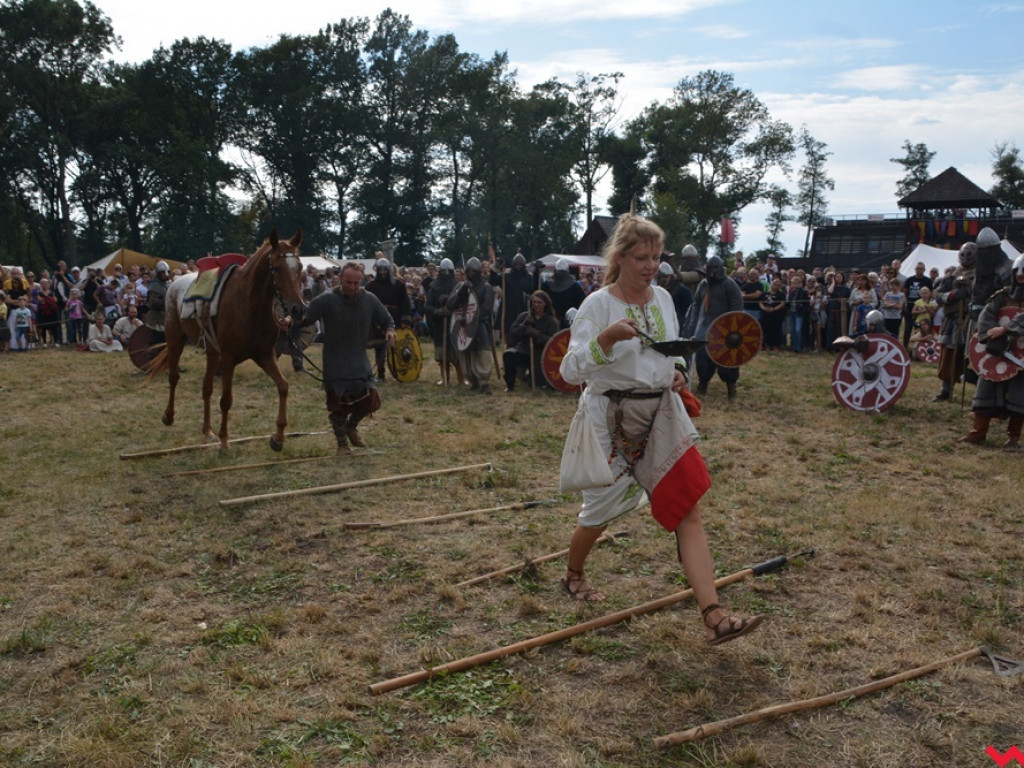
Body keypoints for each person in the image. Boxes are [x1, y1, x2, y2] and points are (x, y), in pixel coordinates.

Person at [557, 212, 763, 646]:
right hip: (609, 419)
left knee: (688, 506)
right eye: (640, 257)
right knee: (600, 513)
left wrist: (678, 372)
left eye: (655, 256)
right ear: (621, 257)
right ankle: (574, 572)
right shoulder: (598, 305)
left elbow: (670, 353)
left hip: (661, 415)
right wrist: (608, 339)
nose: (650, 265)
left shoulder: (665, 300)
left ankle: (714, 616)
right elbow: (571, 368)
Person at [292, 262, 396, 454]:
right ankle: (342, 445)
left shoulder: (370, 299)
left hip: (358, 359)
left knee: (370, 401)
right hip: (335, 361)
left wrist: (390, 331)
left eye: (356, 283)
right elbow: (306, 316)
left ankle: (352, 427)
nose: (352, 287)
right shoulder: (327, 299)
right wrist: (290, 321)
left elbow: (387, 319)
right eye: (348, 282)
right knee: (338, 406)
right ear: (340, 279)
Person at [960, 255, 1024, 450]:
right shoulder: (1002, 295)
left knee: (1019, 395)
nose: (1021, 276)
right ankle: (979, 431)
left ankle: (1013, 438)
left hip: (1021, 355)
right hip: (998, 353)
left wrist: (1006, 329)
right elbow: (986, 315)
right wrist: (994, 334)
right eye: (1018, 272)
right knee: (986, 387)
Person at [682, 255, 744, 397]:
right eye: (711, 268)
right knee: (703, 359)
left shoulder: (730, 285)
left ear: (721, 268)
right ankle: (703, 384)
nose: (713, 271)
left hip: (725, 331)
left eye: (716, 268)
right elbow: (696, 305)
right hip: (704, 328)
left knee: (727, 361)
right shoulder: (703, 285)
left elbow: (737, 309)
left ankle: (731, 387)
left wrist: (732, 329)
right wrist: (693, 325)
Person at [932, 243, 975, 401]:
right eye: (963, 254)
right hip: (952, 320)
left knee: (972, 355)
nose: (966, 258)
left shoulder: (981, 274)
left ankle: (980, 395)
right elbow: (938, 295)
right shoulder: (952, 274)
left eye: (969, 254)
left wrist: (969, 291)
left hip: (970, 319)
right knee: (949, 355)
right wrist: (953, 295)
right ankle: (946, 390)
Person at [446, 257, 496, 394]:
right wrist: (461, 293)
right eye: (470, 271)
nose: (472, 273)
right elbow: (450, 305)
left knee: (482, 352)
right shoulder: (461, 286)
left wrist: (472, 318)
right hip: (462, 325)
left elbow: (487, 310)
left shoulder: (486, 287)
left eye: (474, 271)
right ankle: (472, 380)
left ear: (479, 272)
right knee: (466, 353)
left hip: (479, 325)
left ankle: (484, 382)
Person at [365, 258, 412, 382]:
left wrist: (404, 319)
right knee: (379, 348)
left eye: (385, 269)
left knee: (398, 346)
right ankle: (381, 374)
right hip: (377, 319)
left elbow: (405, 303)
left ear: (389, 270)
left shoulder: (398, 284)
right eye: (380, 269)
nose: (382, 272)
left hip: (394, 317)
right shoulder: (371, 286)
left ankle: (401, 372)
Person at [503, 290, 559, 391]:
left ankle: (532, 378)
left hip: (541, 353)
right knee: (509, 355)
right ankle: (510, 385)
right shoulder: (525, 316)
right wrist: (523, 326)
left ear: (545, 303)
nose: (536, 305)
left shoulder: (551, 321)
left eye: (539, 302)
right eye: (534, 302)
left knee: (538, 382)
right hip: (524, 349)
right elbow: (513, 332)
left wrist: (537, 335)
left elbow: (553, 341)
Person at [425, 258, 465, 386]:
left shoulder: (458, 287)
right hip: (439, 325)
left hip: (454, 325)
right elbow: (428, 307)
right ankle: (445, 378)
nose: (446, 274)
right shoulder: (434, 288)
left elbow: (463, 306)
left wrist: (453, 310)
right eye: (444, 271)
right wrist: (439, 311)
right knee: (442, 357)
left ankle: (461, 378)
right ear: (440, 271)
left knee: (457, 356)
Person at [542, 258, 586, 328]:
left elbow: (583, 305)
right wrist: (536, 273)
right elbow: (537, 296)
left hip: (569, 322)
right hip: (550, 322)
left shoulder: (575, 287)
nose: (561, 274)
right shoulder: (547, 285)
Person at [902, 261, 932, 348]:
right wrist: (906, 304)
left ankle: (918, 349)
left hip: (922, 309)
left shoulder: (928, 281)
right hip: (911, 307)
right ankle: (905, 347)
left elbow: (930, 293)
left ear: (924, 270)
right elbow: (905, 292)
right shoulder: (909, 279)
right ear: (915, 269)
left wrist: (926, 304)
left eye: (921, 269)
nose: (919, 270)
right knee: (907, 329)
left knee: (920, 330)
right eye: (918, 268)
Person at [656, 261, 693, 331]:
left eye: (665, 276)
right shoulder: (657, 292)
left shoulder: (683, 291)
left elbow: (688, 313)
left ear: (671, 276)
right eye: (660, 277)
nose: (663, 279)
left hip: (679, 326)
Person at [145, 261, 172, 347]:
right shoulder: (154, 286)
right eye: (163, 272)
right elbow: (153, 303)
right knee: (157, 341)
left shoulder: (167, 285)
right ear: (159, 273)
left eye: (166, 272)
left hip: (165, 317)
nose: (165, 274)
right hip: (156, 318)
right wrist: (167, 299)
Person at [759, 278, 787, 352]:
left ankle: (775, 346)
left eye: (778, 285)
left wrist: (774, 309)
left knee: (776, 331)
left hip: (776, 316)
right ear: (772, 284)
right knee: (766, 331)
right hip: (766, 315)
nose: (776, 286)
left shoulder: (781, 294)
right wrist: (764, 308)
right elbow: (760, 302)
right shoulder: (765, 293)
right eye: (775, 285)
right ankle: (767, 345)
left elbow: (782, 303)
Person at [787, 275, 809, 352]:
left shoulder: (804, 292)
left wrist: (802, 311)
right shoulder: (792, 292)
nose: (795, 285)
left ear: (800, 283)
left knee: (798, 330)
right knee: (792, 330)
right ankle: (795, 346)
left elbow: (807, 304)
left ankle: (800, 346)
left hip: (799, 313)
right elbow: (789, 302)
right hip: (792, 312)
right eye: (793, 283)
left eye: (796, 283)